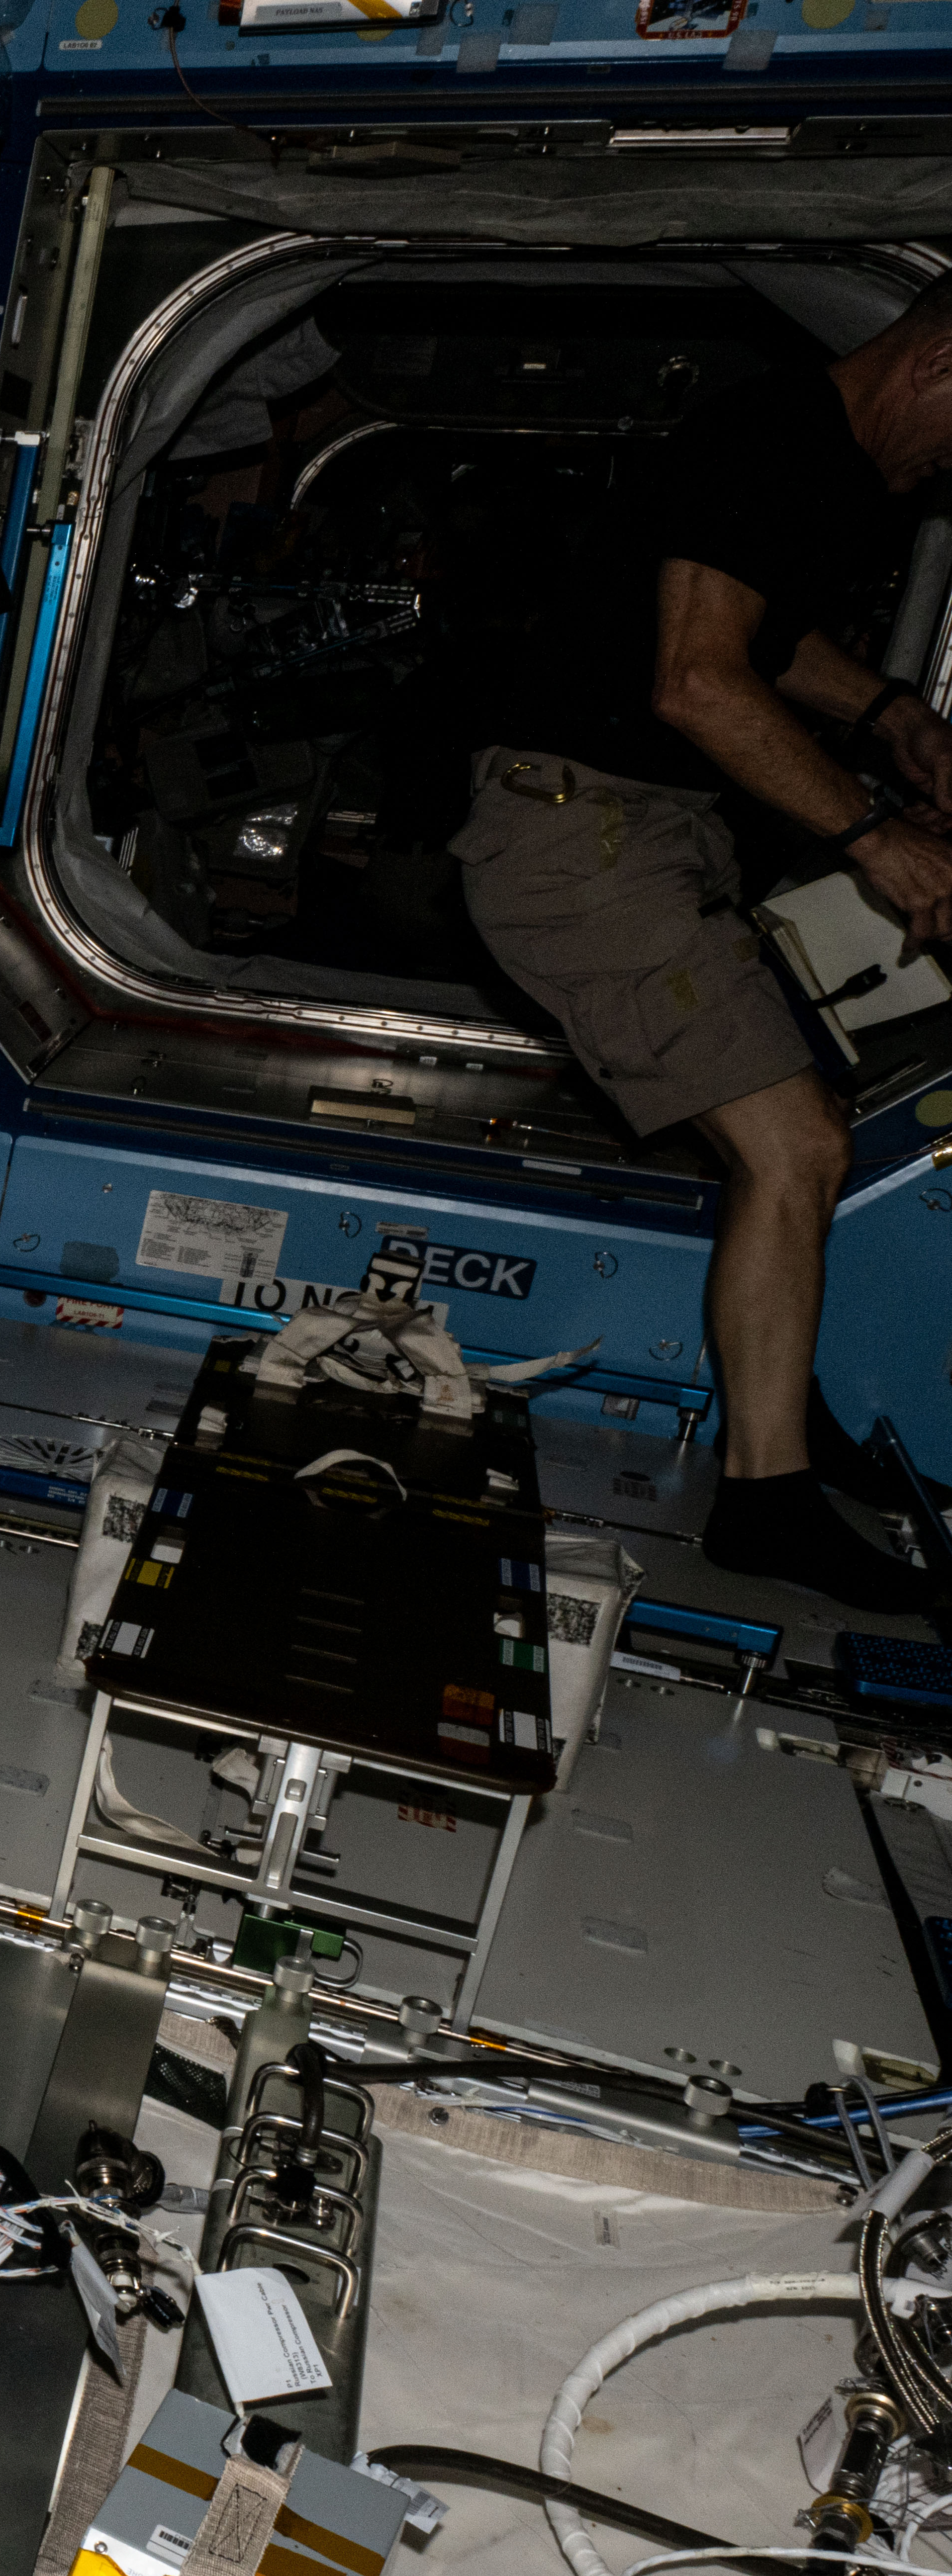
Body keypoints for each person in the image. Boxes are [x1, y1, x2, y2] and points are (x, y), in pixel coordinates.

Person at [455, 275, 952, 1613]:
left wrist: (893, 712)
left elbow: (766, 643)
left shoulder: (805, 457)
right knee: (795, 1144)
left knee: (805, 1126)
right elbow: (697, 680)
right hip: (580, 838)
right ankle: (767, 1499)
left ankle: (776, 1418)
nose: (945, 471)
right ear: (938, 362)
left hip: (637, 833)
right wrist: (873, 835)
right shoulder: (772, 441)